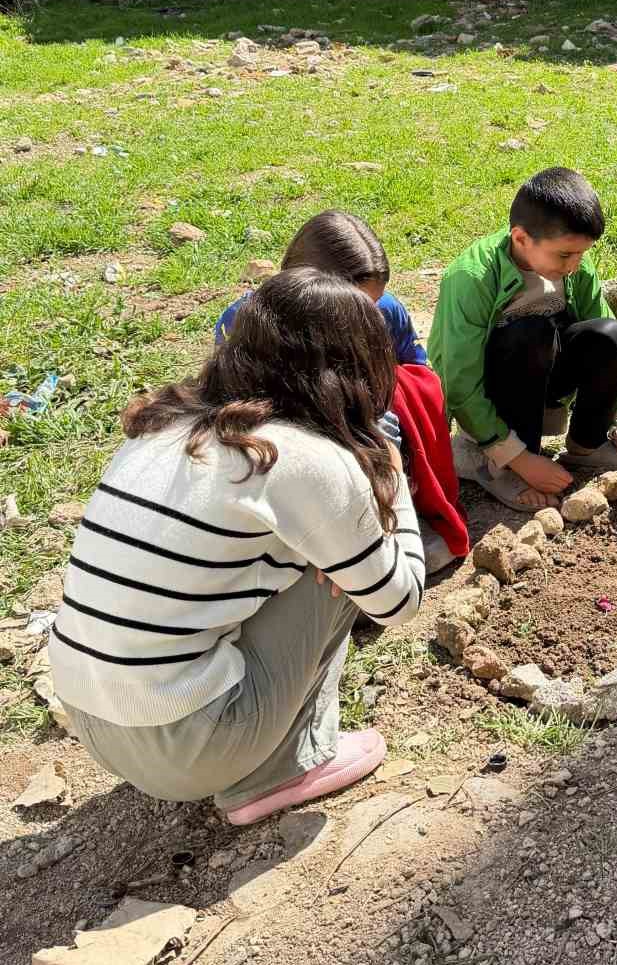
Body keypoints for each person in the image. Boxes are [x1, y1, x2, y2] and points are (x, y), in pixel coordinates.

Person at [51, 270, 425, 827]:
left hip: (91, 718)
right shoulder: (306, 458)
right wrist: (391, 478)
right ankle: (280, 769)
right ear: (356, 369)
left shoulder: (168, 424)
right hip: (185, 751)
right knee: (345, 570)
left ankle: (254, 745)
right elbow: (401, 601)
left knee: (308, 553)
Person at [216, 210, 463, 573]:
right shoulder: (247, 324)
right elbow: (242, 412)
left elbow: (416, 371)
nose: (366, 318)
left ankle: (388, 525)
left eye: (372, 306)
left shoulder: (387, 311)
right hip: (295, 436)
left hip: (368, 420)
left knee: (401, 403)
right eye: (353, 309)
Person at [428, 168, 617, 512]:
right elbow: (459, 379)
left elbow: (603, 329)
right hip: (493, 392)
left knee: (613, 335)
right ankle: (494, 462)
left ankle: (586, 445)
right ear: (521, 238)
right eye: (564, 256)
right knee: (530, 332)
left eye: (581, 255)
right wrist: (520, 458)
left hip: (544, 377)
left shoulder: (575, 268)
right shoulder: (471, 278)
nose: (574, 266)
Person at [215, 210, 426, 365]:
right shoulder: (246, 321)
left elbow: (418, 380)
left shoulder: (387, 310)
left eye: (375, 301)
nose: (371, 315)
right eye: (358, 305)